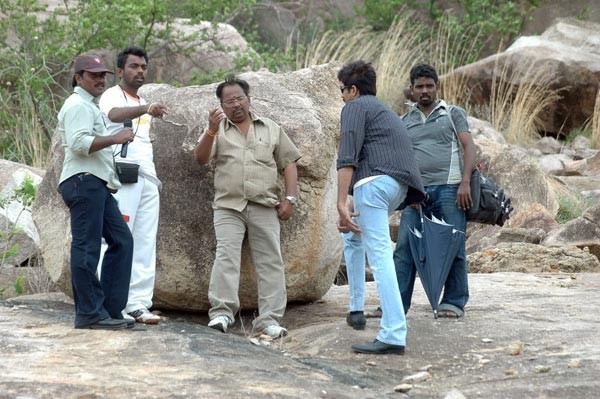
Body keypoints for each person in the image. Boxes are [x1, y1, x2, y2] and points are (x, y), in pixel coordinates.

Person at [194, 76, 301, 339]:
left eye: (239, 98)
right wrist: (210, 129)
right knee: (226, 256)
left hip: (264, 205)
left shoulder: (270, 128)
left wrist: (290, 199)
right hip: (228, 206)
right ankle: (221, 313)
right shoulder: (217, 129)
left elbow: (288, 163)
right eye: (228, 101)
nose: (235, 104)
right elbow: (201, 158)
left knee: (270, 261)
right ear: (221, 105)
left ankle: (269, 321)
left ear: (249, 99)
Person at [336, 61, 425, 355]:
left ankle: (393, 333)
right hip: (395, 187)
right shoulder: (384, 110)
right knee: (352, 235)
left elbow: (347, 156)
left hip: (374, 184)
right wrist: (351, 203)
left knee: (380, 255)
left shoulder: (354, 107)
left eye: (342, 90)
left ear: (353, 89)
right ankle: (356, 309)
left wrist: (340, 203)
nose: (342, 96)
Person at [58, 54, 135, 330]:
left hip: (95, 183)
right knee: (87, 247)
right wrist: (115, 138)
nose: (100, 79)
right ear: (79, 78)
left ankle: (109, 311)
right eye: (93, 75)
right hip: (83, 181)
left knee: (122, 241)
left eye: (103, 75)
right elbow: (79, 144)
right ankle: (90, 313)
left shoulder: (89, 105)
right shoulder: (78, 104)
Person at [394, 64, 476, 318]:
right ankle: (396, 304)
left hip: (451, 190)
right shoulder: (405, 121)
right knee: (405, 249)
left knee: (453, 245)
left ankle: (453, 301)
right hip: (418, 194)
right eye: (419, 86)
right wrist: (409, 194)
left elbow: (469, 147)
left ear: (437, 87)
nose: (425, 90)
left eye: (430, 85)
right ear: (412, 89)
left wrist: (464, 182)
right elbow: (402, 160)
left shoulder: (452, 113)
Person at [98, 46, 168, 324]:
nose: (139, 71)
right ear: (120, 71)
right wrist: (145, 108)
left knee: (145, 241)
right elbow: (114, 115)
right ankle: (111, 302)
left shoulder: (143, 99)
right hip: (122, 176)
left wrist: (145, 106)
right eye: (133, 66)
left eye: (143, 67)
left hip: (147, 177)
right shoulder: (112, 95)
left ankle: (138, 304)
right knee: (117, 239)